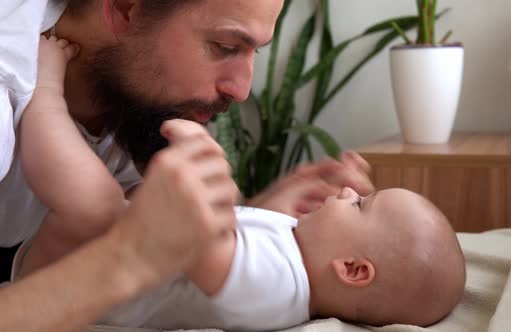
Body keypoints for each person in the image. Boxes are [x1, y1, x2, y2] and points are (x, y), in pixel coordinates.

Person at [0, 0, 374, 331]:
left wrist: (268, 228)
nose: (242, 90)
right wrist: (126, 261)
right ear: (124, 9)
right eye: (225, 46)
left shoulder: (137, 100)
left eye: (253, 52)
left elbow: (176, 258)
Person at [31, 187, 463, 331]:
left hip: (63, 269)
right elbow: (250, 228)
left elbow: (204, 247)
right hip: (82, 252)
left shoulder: (280, 286)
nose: (349, 193)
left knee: (89, 199)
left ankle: (43, 95)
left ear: (351, 270)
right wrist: (285, 194)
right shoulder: (292, 257)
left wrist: (202, 170)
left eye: (360, 205)